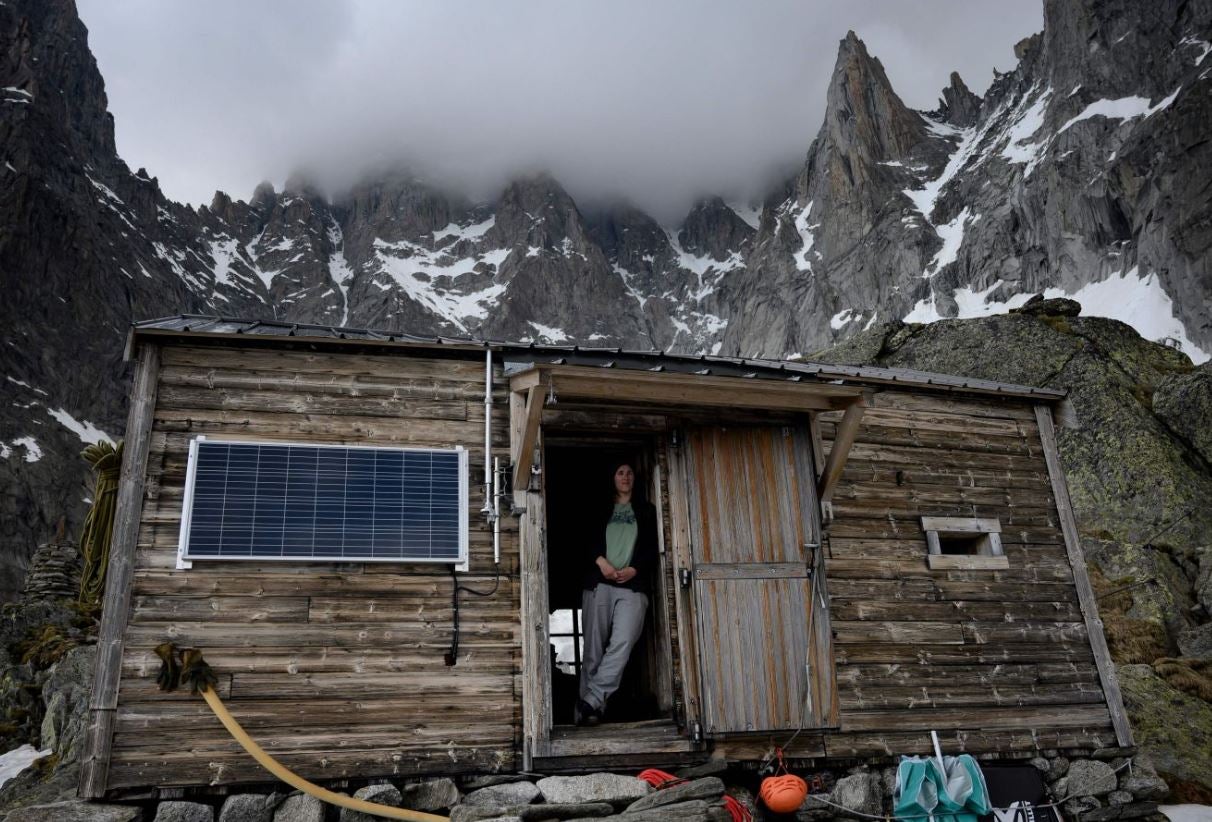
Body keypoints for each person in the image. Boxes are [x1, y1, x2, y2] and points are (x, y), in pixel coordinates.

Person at [576, 459, 658, 726]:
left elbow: (652, 546)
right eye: (620, 472)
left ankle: (591, 699)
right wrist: (602, 563)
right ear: (612, 477)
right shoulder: (599, 508)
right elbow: (584, 539)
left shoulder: (646, 510)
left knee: (622, 644)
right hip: (600, 583)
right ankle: (591, 712)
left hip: (632, 586)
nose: (625, 477)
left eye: (630, 473)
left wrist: (635, 568)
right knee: (594, 649)